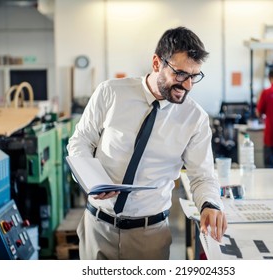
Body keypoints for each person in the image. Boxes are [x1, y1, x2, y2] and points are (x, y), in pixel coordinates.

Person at [67, 26, 227, 260]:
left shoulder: (195, 119)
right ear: (156, 63)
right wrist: (91, 181)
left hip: (149, 235)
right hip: (97, 226)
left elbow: (202, 176)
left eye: (194, 76)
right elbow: (80, 142)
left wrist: (210, 204)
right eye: (180, 74)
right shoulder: (110, 92)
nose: (188, 85)